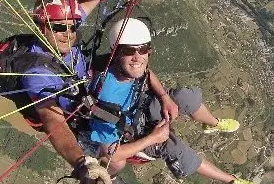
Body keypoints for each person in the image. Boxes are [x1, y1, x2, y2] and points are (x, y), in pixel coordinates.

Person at [85, 18, 250, 183]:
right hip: (129, 134)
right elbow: (111, 154)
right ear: (116, 53)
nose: (138, 57)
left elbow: (146, 73)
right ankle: (231, 180)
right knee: (173, 147)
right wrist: (154, 138)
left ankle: (212, 123)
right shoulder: (107, 99)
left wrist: (165, 98)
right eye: (129, 51)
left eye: (143, 49)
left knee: (186, 97)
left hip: (139, 110)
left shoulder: (126, 66)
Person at [17, 0, 111, 184]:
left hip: (85, 90)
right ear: (42, 27)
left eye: (73, 27)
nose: (68, 34)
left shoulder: (63, 20)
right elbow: (54, 122)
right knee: (114, 157)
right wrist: (82, 163)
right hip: (76, 117)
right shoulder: (37, 73)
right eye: (59, 28)